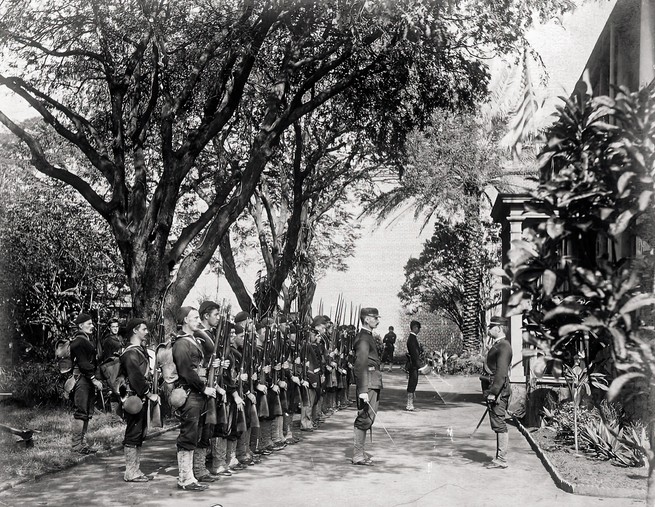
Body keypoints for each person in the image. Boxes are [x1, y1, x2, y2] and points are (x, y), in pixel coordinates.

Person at [172, 306, 217, 491]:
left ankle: (190, 476)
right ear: (185, 321)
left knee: (195, 434)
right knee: (188, 434)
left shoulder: (192, 339)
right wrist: (203, 387)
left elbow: (200, 362)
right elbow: (186, 371)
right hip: (190, 392)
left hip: (197, 392)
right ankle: (184, 478)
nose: (198, 320)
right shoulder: (182, 343)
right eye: (195, 318)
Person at [119, 318, 159, 482]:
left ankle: (136, 469)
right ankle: (130, 472)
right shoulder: (130, 353)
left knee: (139, 434)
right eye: (144, 329)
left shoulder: (139, 351)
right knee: (133, 434)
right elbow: (135, 378)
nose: (146, 332)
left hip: (140, 398)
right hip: (134, 398)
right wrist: (149, 394)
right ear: (135, 331)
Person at [352, 307, 382, 466]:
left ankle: (360, 453)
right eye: (375, 318)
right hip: (368, 382)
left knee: (368, 417)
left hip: (372, 381)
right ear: (366, 319)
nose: (377, 320)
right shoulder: (363, 338)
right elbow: (361, 364)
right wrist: (363, 390)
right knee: (364, 418)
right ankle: (357, 455)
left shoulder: (367, 336)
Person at [69, 313, 103, 454]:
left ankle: (81, 444)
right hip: (82, 380)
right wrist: (94, 379)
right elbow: (83, 363)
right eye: (88, 324)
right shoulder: (79, 341)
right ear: (80, 326)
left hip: (86, 380)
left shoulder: (86, 339)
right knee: (81, 412)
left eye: (92, 323)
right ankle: (76, 445)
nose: (92, 326)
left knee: (86, 412)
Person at [482, 316, 512, 469]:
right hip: (494, 389)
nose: (488, 330)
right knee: (496, 422)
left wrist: (493, 392)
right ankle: (499, 457)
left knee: (499, 423)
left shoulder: (504, 346)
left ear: (499, 328)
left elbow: (501, 372)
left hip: (498, 391)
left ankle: (501, 459)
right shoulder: (498, 345)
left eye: (491, 327)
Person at [405, 320, 424, 411]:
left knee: (413, 382)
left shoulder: (412, 338)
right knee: (412, 382)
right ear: (415, 327)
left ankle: (410, 403)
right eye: (418, 328)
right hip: (413, 364)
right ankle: (409, 404)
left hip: (413, 364)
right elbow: (415, 354)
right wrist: (420, 366)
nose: (419, 330)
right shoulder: (412, 339)